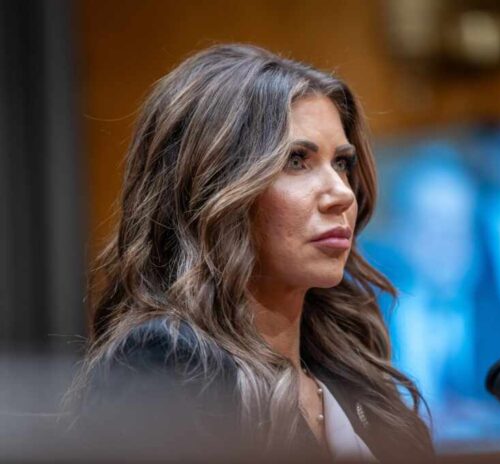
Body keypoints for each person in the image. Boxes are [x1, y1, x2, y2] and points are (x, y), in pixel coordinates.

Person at [65, 44, 434, 462]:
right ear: (213, 187)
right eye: (296, 161)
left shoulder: (356, 375)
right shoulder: (167, 361)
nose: (342, 194)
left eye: (342, 163)